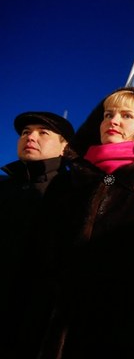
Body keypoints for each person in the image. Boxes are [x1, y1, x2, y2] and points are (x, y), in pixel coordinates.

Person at [36, 87, 134, 359]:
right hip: (49, 338)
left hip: (124, 341)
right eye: (108, 114)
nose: (113, 121)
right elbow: (37, 261)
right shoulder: (66, 184)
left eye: (126, 116)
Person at [0, 111, 74, 358]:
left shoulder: (75, 195)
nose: (31, 137)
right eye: (25, 132)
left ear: (65, 147)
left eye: (43, 132)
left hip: (36, 329)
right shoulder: (4, 187)